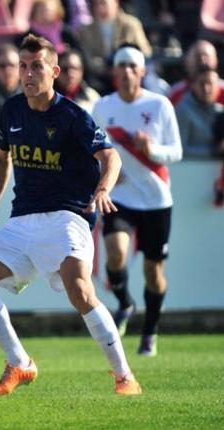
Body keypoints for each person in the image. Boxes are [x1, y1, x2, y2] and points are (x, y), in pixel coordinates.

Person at [0, 34, 141, 396]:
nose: (27, 74)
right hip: (22, 219)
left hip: (67, 216)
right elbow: (1, 158)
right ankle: (19, 362)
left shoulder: (72, 115)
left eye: (36, 67)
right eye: (23, 66)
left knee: (79, 290)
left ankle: (124, 375)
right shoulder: (11, 109)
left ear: (54, 71)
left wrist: (103, 188)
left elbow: (111, 156)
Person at [92, 44, 182, 357]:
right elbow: (92, 150)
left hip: (156, 198)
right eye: (123, 66)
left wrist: (152, 150)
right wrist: (105, 175)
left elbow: (176, 152)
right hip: (119, 196)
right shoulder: (103, 107)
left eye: (134, 66)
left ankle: (150, 330)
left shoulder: (159, 105)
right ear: (115, 72)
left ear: (142, 71)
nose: (128, 71)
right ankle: (125, 303)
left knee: (152, 271)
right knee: (115, 254)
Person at [77, 0, 151, 94]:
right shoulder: (86, 30)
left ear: (116, 3)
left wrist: (125, 63)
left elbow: (145, 51)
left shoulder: (131, 24)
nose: (100, 7)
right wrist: (108, 69)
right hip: (100, 78)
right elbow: (87, 57)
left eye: (103, 3)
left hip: (131, 74)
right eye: (96, 4)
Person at [175, 65, 223, 158]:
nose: (206, 89)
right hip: (187, 171)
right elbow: (180, 150)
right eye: (202, 83)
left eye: (210, 84)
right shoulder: (182, 110)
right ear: (193, 85)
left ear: (217, 86)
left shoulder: (220, 111)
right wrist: (215, 151)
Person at [168, 40, 224, 106]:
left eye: (206, 57)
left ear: (216, 60)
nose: (203, 61)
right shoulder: (176, 94)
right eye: (198, 57)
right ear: (188, 62)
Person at [15, 0, 80, 55]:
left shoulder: (65, 33)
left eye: (48, 11)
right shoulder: (27, 37)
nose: (45, 15)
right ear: (34, 12)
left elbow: (76, 53)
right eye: (41, 11)